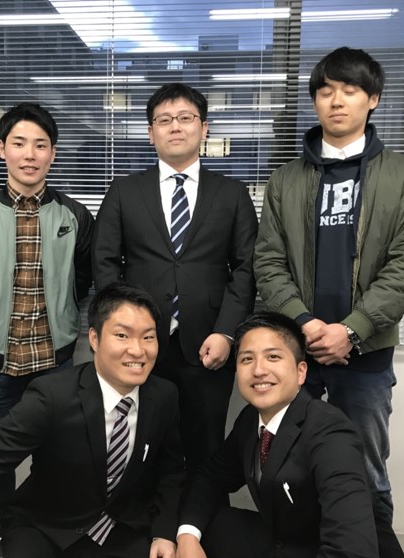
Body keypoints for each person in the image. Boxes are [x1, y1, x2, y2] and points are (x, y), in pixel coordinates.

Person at [253, 47, 404, 557]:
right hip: (298, 352)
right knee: (289, 463)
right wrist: (306, 324)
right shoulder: (286, 180)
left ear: (372, 99)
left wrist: (351, 329)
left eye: (350, 90)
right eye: (326, 91)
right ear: (314, 101)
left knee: (365, 469)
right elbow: (268, 262)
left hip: (366, 354)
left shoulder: (401, 175)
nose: (336, 101)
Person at [92, 83, 258, 472]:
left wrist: (227, 333)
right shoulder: (124, 191)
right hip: (141, 346)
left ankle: (200, 511)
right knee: (140, 445)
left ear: (204, 128)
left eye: (186, 118)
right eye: (164, 120)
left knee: (205, 448)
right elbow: (104, 262)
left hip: (208, 343)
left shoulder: (232, 194)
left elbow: (246, 268)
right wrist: (124, 331)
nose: (176, 127)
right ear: (151, 133)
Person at [0, 282, 185, 558]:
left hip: (121, 529)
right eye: (122, 335)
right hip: (46, 527)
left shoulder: (164, 396)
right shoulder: (53, 396)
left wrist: (164, 532)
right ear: (94, 338)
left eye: (148, 337)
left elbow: (171, 470)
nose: (137, 350)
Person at [176, 312, 378, 558]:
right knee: (207, 524)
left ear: (301, 372)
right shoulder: (251, 419)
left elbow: (351, 549)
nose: (259, 370)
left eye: (273, 357)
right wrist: (187, 536)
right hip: (284, 540)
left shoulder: (331, 432)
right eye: (247, 359)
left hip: (322, 548)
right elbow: (210, 478)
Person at [0, 101, 94, 422]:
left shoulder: (76, 216)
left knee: (57, 445)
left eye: (40, 145)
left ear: (52, 154)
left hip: (54, 360)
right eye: (19, 144)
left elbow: (82, 281)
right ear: (2, 149)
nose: (30, 155)